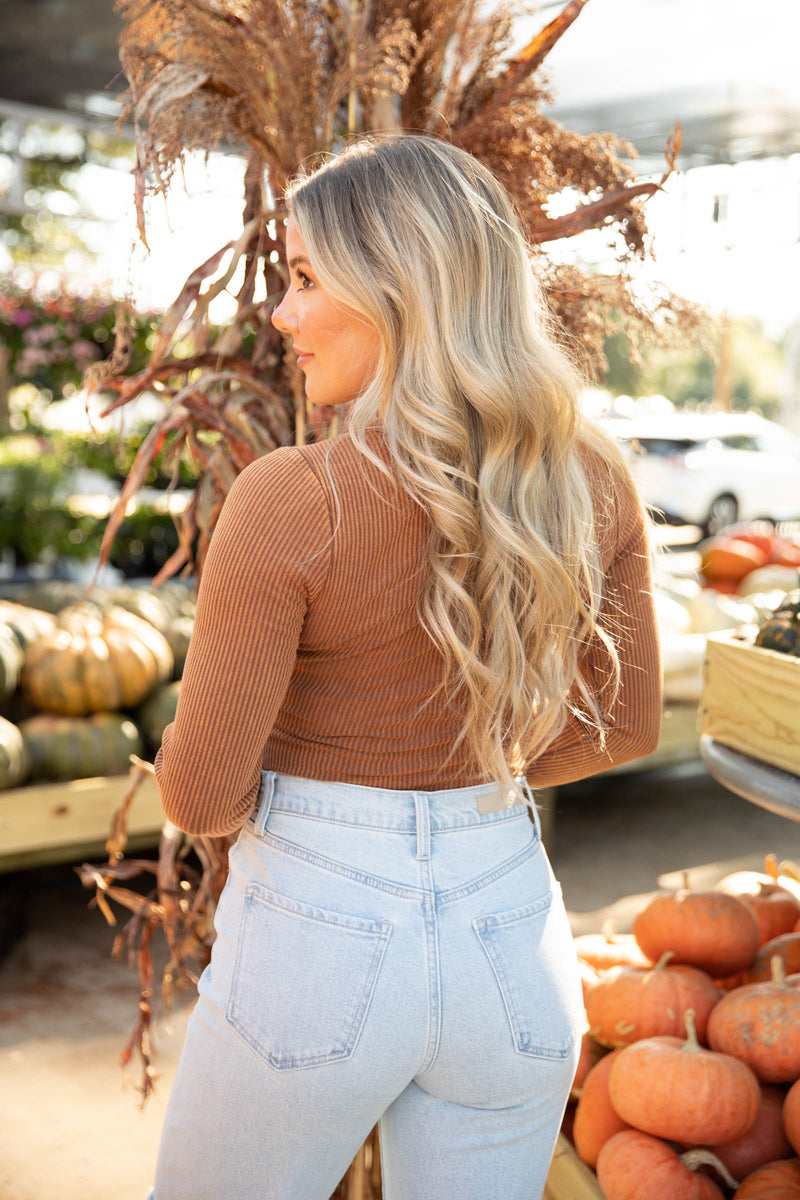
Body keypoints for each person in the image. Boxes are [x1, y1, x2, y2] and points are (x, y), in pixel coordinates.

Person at [148, 133, 662, 1200]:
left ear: (398, 287)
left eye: (301, 278)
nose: (280, 314)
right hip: (510, 938)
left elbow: (200, 795)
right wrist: (460, 775)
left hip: (315, 937)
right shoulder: (590, 477)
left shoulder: (294, 497)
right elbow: (623, 729)